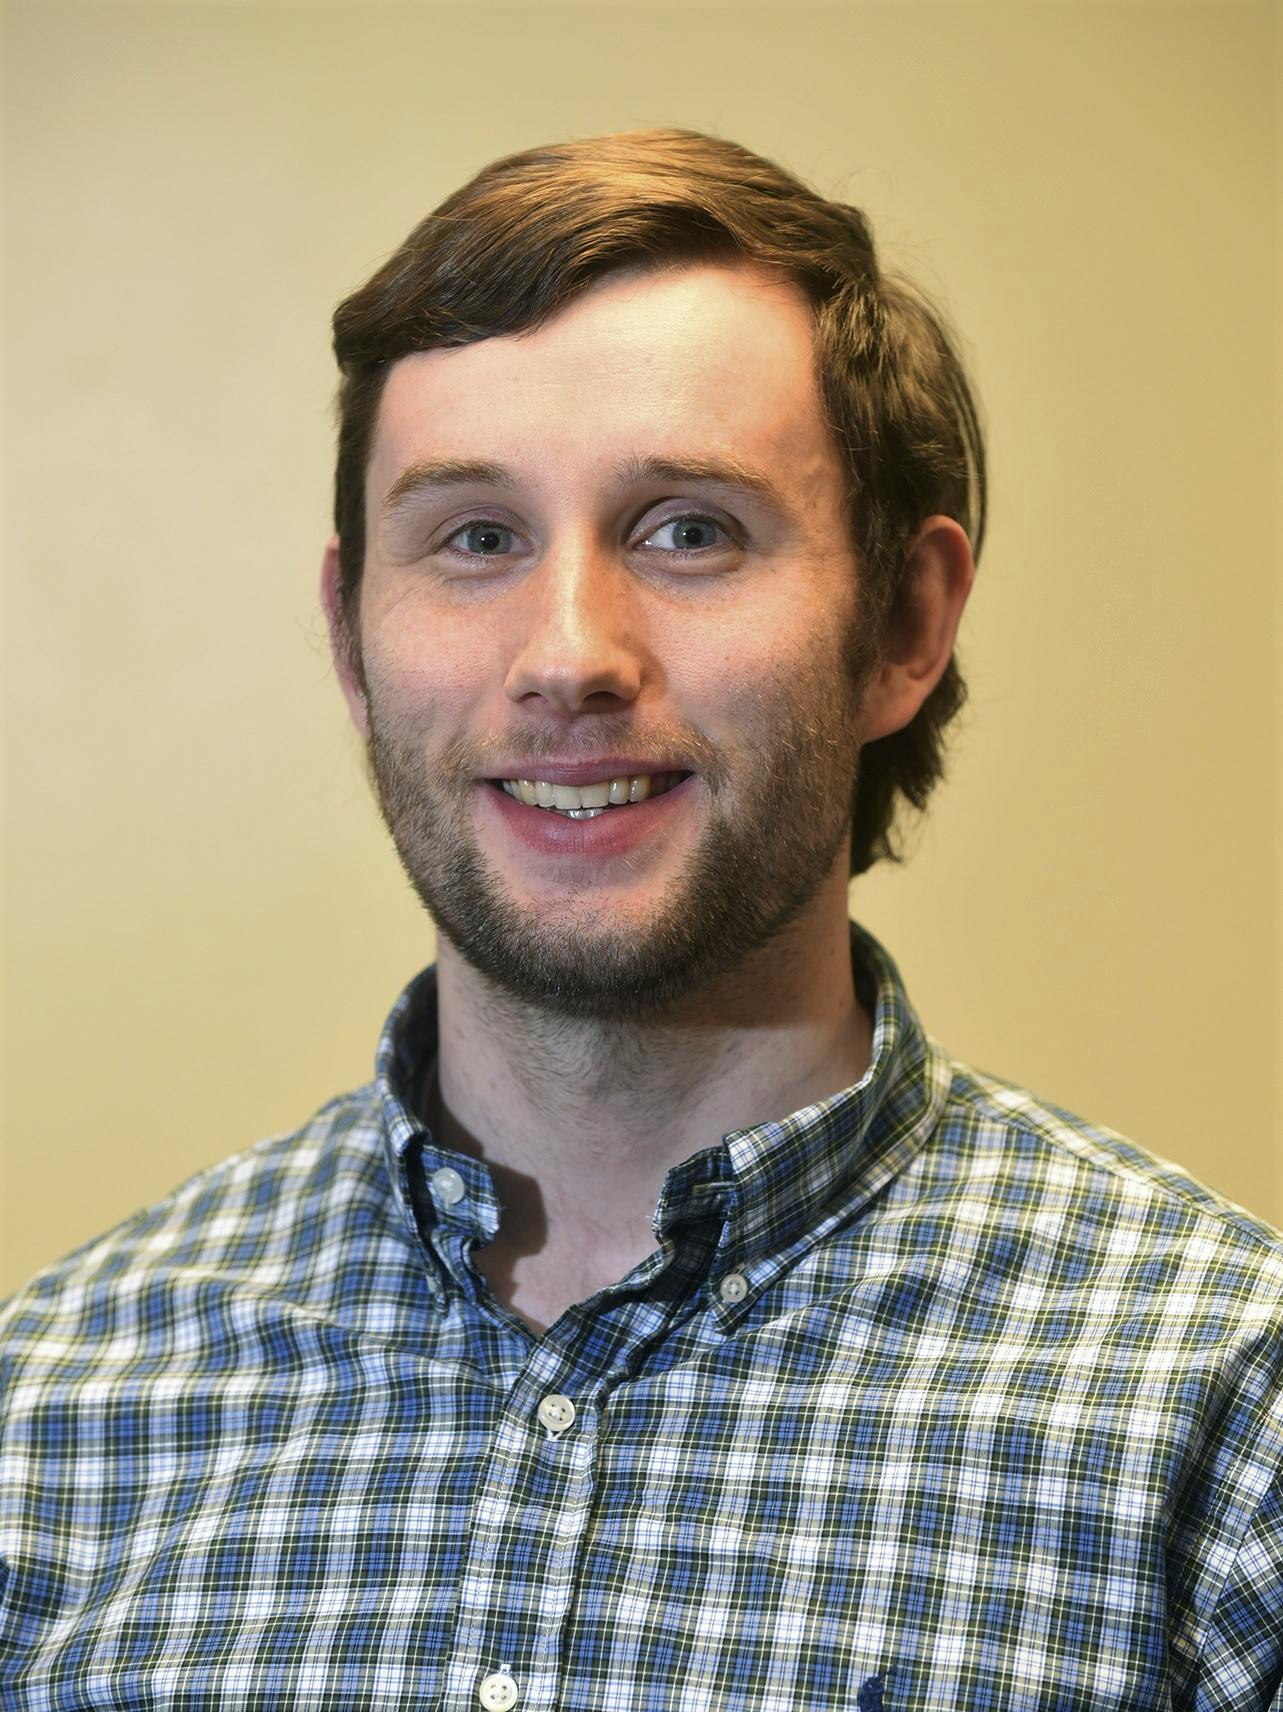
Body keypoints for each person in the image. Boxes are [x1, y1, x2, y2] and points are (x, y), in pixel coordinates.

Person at [2, 129, 1281, 1712]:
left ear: (904, 624)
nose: (569, 655)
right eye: (476, 537)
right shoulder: (47, 1419)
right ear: (351, 638)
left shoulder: (1230, 1427)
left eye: (688, 530)